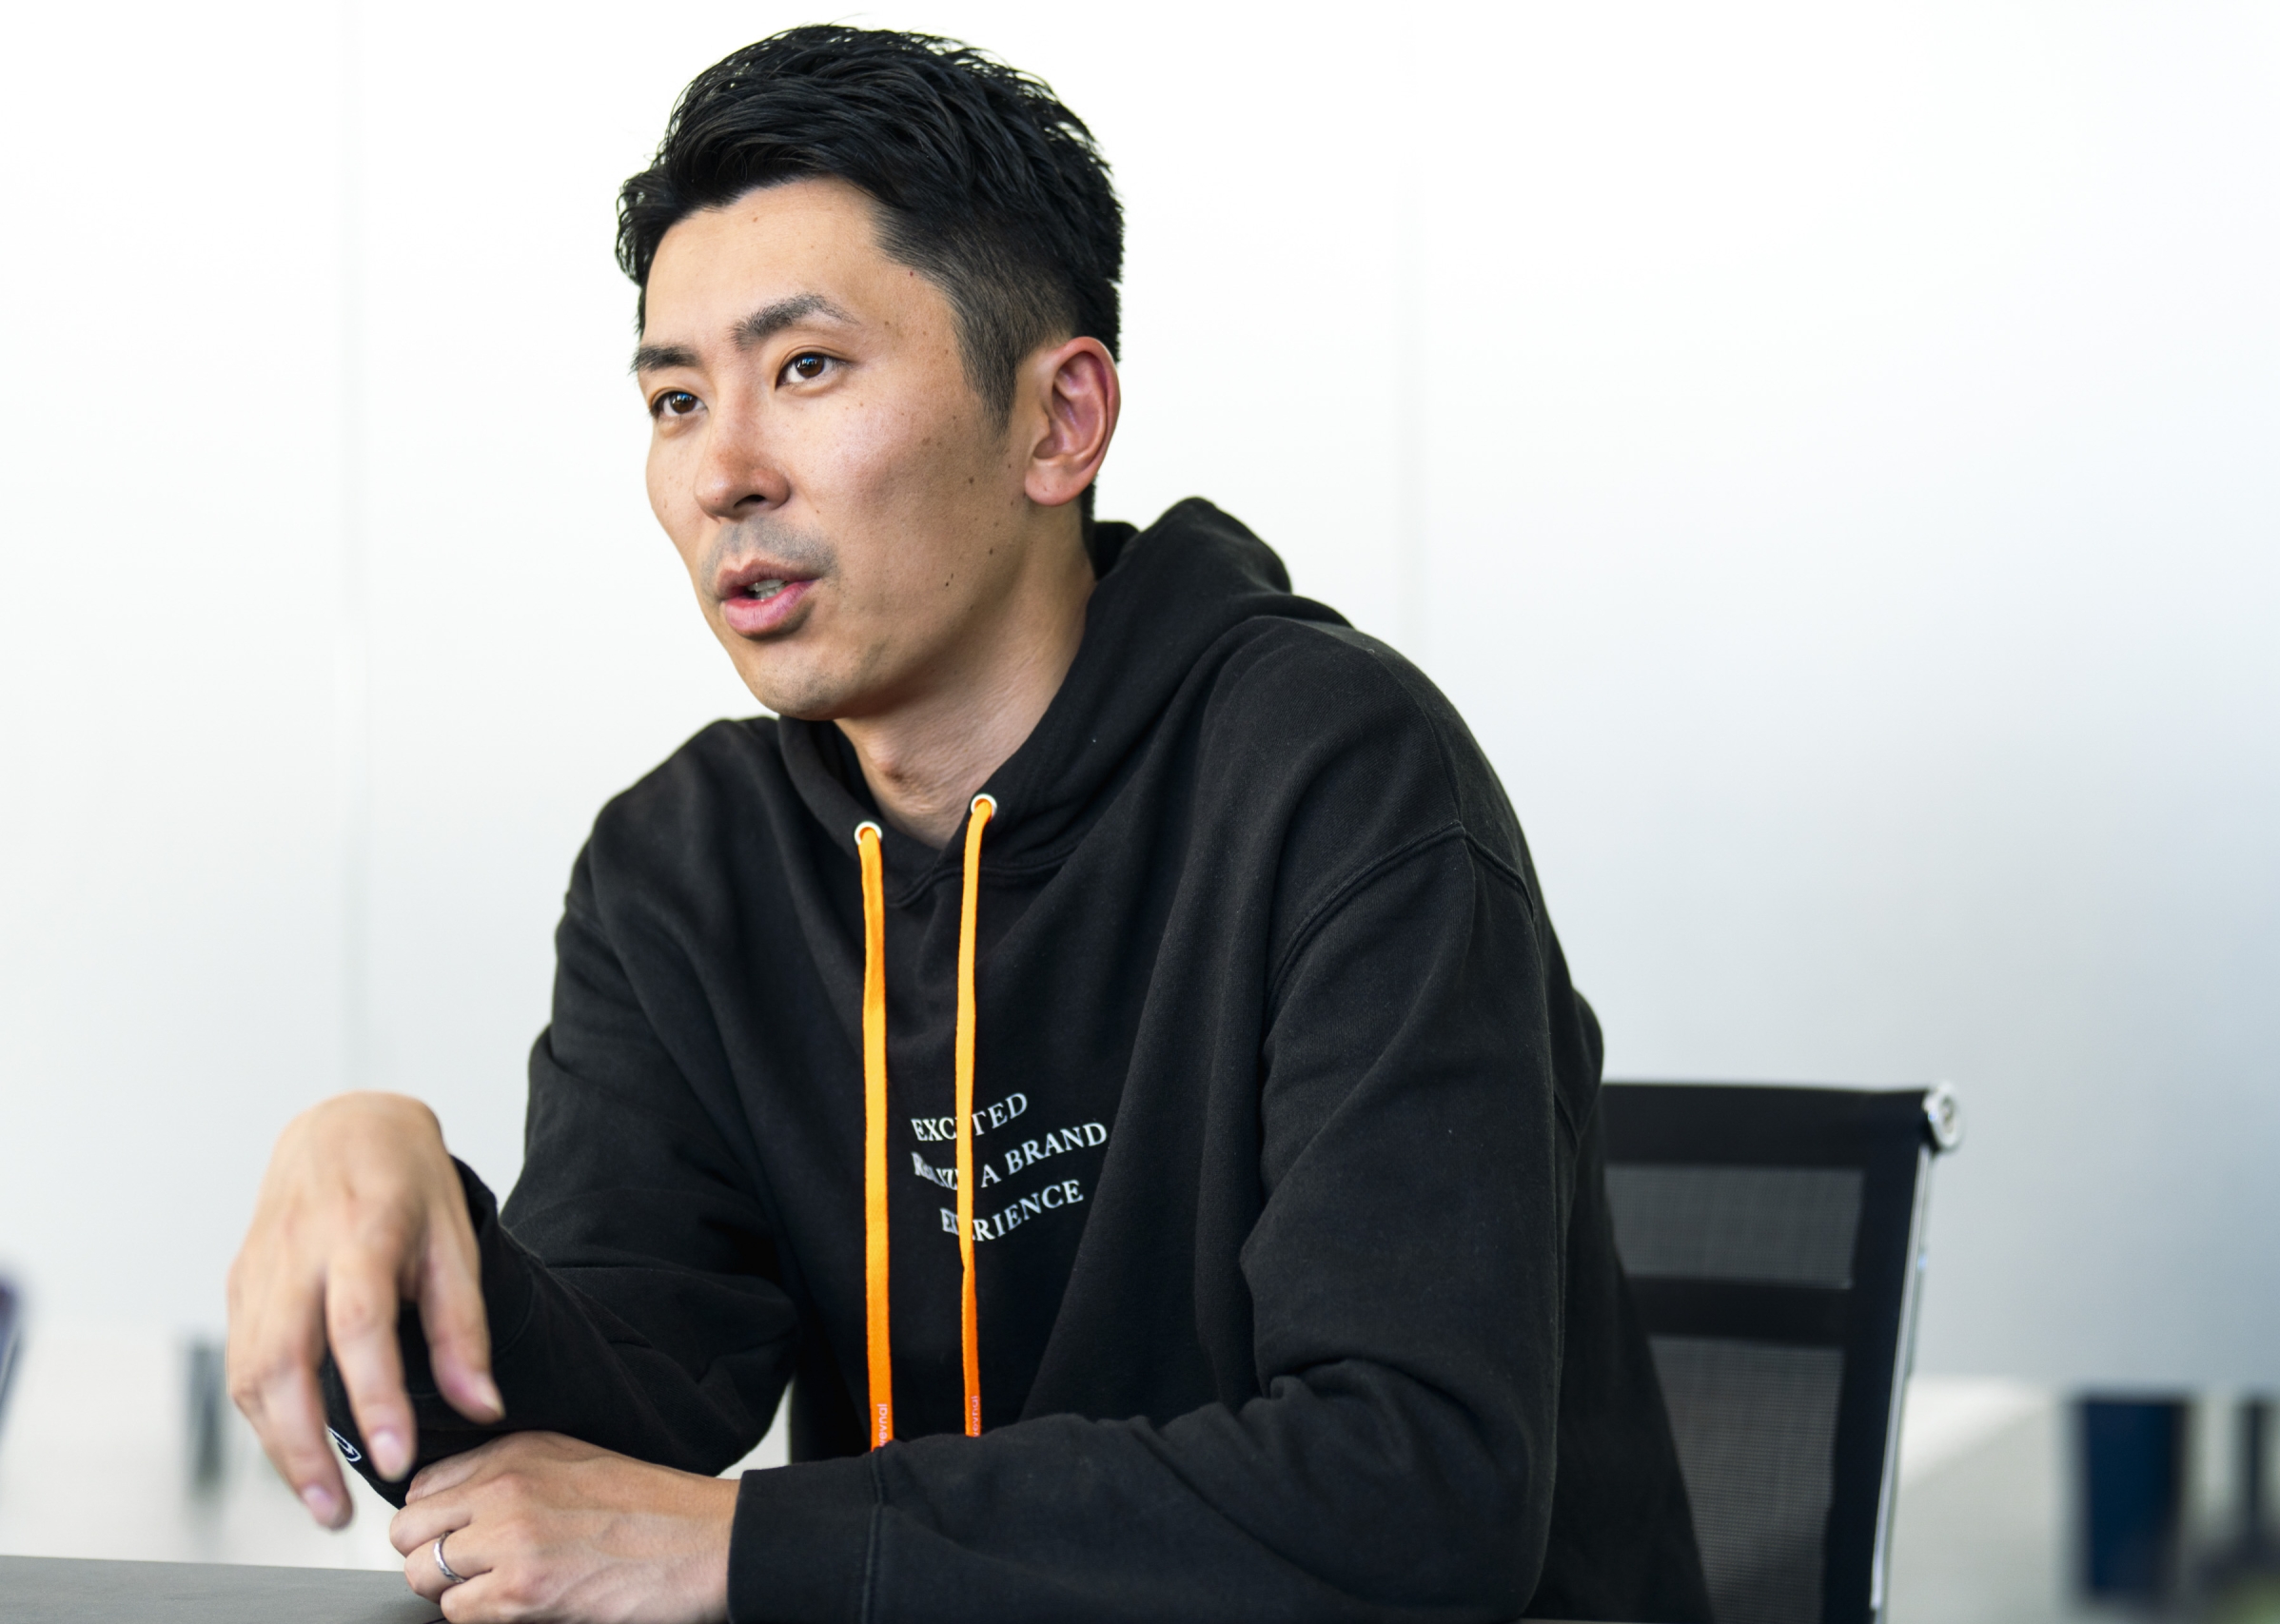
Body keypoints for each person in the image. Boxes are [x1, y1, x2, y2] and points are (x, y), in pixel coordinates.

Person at [226, 25, 1709, 1624]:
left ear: (1059, 422)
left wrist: (747, 1547)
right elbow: (601, 1437)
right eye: (675, 397)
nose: (723, 472)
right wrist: (397, 1225)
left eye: (807, 368)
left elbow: (1417, 1489)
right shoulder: (689, 868)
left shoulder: (1336, 779)